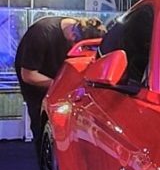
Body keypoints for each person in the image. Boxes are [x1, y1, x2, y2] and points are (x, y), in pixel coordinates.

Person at [15, 16, 106, 152]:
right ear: (73, 36)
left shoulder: (79, 31)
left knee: (68, 128)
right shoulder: (41, 34)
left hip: (61, 79)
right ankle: (45, 160)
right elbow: (28, 75)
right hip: (38, 83)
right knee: (43, 129)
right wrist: (62, 84)